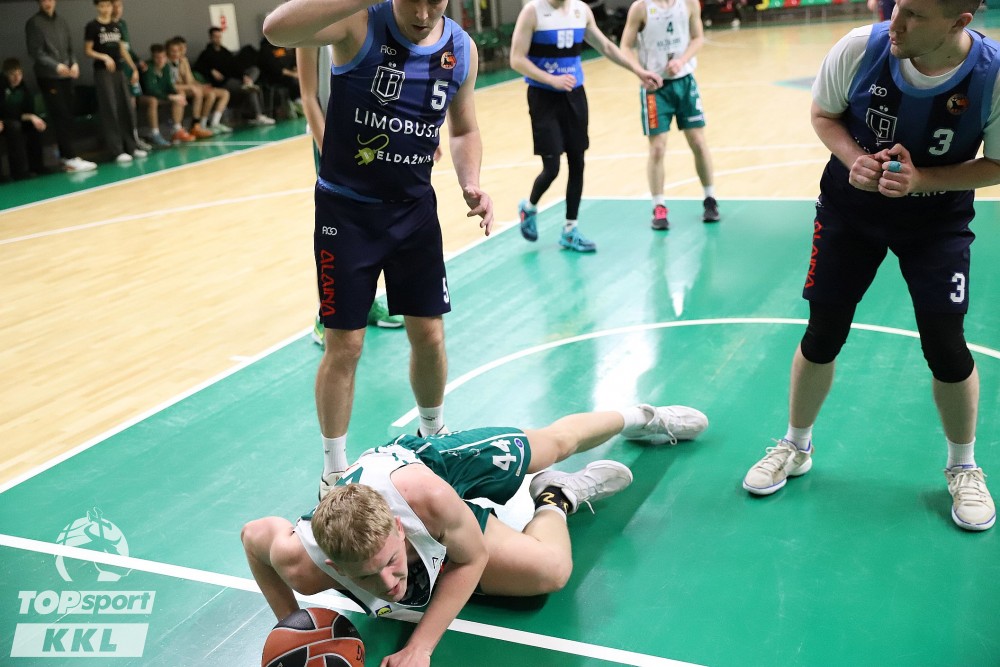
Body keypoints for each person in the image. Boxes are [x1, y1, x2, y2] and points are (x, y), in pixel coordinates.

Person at [741, 0, 999, 532]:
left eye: (915, 15)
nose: (896, 22)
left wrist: (922, 181)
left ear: (959, 22)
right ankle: (796, 445)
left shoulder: (992, 77)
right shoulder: (861, 47)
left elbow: (996, 164)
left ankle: (963, 466)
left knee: (946, 346)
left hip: (936, 223)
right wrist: (853, 159)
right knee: (823, 332)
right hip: (849, 212)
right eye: (898, 5)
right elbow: (824, 115)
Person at [242, 403, 708, 666]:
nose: (386, 583)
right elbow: (252, 537)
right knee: (548, 571)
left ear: (399, 530)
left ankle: (641, 415)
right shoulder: (301, 563)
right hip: (412, 517)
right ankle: (556, 496)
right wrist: (294, 629)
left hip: (432, 466)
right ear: (334, 567)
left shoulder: (427, 499)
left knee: (554, 446)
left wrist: (420, 646)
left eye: (391, 562)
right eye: (365, 576)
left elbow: (470, 557)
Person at [264, 0, 495, 499]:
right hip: (347, 215)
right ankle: (334, 473)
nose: (425, 12)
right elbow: (275, 30)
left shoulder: (461, 48)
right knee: (345, 345)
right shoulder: (360, 22)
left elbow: (464, 128)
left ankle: (433, 436)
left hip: (414, 213)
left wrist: (470, 181)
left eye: (437, 0)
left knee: (429, 334)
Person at [509, 0, 662, 252]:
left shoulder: (581, 11)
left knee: (577, 163)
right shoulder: (533, 12)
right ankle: (529, 207)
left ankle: (570, 229)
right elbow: (516, 59)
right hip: (543, 98)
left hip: (575, 96)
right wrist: (551, 80)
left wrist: (638, 71)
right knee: (552, 168)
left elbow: (606, 46)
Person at [297, 44, 404, 345]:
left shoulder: (371, 20)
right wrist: (330, 151)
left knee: (374, 224)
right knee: (336, 231)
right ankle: (326, 312)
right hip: (332, 141)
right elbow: (309, 96)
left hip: (372, 137)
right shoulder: (311, 24)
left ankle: (367, 303)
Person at [620, 0, 720, 230]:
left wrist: (682, 61)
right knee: (657, 148)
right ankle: (659, 206)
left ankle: (710, 199)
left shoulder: (689, 4)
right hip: (655, 88)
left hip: (685, 83)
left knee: (698, 142)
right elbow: (625, 46)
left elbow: (698, 38)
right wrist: (640, 72)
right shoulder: (641, 8)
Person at [24, 0, 97, 172]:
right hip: (48, 76)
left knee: (68, 114)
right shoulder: (34, 23)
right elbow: (35, 52)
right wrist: (55, 66)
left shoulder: (61, 21)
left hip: (66, 76)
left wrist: (74, 63)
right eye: (44, 0)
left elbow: (70, 47)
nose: (48, 3)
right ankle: (68, 157)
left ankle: (68, 155)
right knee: (60, 115)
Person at [83, 0, 147, 163]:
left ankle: (131, 146)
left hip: (119, 71)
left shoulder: (116, 26)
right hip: (103, 72)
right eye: (102, 6)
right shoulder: (92, 26)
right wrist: (103, 57)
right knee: (110, 109)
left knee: (125, 107)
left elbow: (122, 49)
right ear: (97, 7)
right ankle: (117, 150)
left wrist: (133, 68)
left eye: (108, 5)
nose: (105, 9)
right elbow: (88, 50)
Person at [194, 27, 275, 126]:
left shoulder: (225, 52)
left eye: (219, 37)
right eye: (215, 37)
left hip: (236, 79)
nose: (218, 39)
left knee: (255, 70)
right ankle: (258, 115)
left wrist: (243, 77)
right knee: (250, 90)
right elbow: (197, 67)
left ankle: (249, 82)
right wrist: (211, 71)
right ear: (211, 38)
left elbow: (234, 67)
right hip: (224, 82)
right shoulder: (206, 54)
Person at [166, 36, 231, 135]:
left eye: (183, 48)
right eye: (179, 49)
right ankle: (193, 124)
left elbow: (189, 80)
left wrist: (200, 85)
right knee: (199, 93)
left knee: (223, 93)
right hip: (178, 90)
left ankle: (211, 123)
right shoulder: (166, 63)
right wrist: (194, 87)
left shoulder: (183, 60)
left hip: (187, 87)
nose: (182, 51)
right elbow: (173, 84)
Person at [1, 58, 48, 180]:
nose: (16, 78)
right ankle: (18, 172)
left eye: (19, 74)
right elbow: (5, 110)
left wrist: (33, 118)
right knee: (14, 127)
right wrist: (28, 116)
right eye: (12, 74)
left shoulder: (24, 87)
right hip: (4, 120)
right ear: (6, 74)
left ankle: (37, 166)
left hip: (18, 118)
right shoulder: (1, 87)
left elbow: (29, 108)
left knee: (33, 126)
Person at [139, 44, 194, 147]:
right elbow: (150, 90)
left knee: (179, 95)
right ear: (153, 57)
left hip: (162, 95)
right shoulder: (147, 68)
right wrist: (170, 97)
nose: (161, 60)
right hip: (145, 96)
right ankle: (154, 133)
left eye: (163, 57)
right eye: (158, 57)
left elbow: (169, 85)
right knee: (153, 101)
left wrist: (177, 94)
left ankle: (177, 130)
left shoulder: (166, 67)